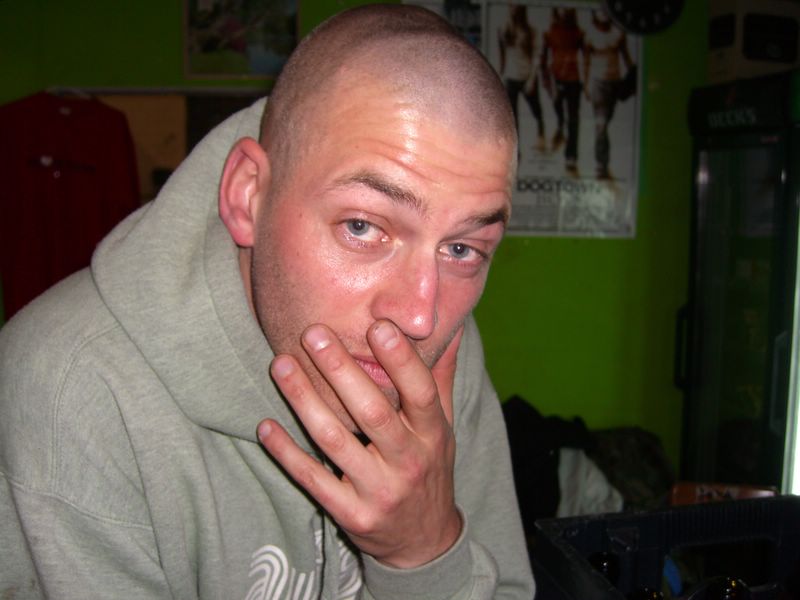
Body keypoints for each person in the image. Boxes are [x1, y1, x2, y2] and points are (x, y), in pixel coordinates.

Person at [0, 5, 535, 600]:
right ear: (248, 195)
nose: (418, 317)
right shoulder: (71, 391)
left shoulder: (439, 355)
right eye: (362, 226)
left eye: (461, 248)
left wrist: (425, 555)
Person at [583, 9, 634, 179]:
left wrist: (634, 79)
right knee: (601, 125)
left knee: (607, 124)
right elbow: (586, 62)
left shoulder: (618, 34)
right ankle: (601, 165)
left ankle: (604, 162)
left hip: (615, 83)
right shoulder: (590, 35)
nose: (603, 14)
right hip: (598, 85)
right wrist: (586, 85)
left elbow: (627, 59)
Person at [540, 8, 585, 174]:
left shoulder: (578, 33)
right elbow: (542, 58)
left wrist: (586, 81)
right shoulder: (550, 32)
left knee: (573, 119)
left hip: (574, 80)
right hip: (556, 79)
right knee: (559, 115)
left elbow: (586, 58)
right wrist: (546, 80)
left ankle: (571, 157)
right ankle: (560, 130)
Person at [497, 4, 546, 152]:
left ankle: (541, 137)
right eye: (510, 7)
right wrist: (500, 75)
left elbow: (537, 57)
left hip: (527, 76)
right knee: (513, 118)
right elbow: (501, 54)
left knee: (536, 110)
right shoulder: (504, 30)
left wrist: (532, 79)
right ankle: (516, 152)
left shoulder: (531, 31)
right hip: (510, 78)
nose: (513, 11)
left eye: (515, 8)